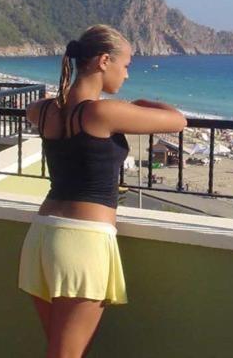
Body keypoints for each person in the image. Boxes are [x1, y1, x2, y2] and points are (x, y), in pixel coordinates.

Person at [18, 25, 187, 357]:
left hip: (42, 236)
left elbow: (31, 109)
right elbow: (178, 121)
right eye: (125, 65)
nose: (127, 74)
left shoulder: (47, 110)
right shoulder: (102, 112)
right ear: (104, 61)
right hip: (83, 242)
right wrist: (139, 103)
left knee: (60, 349)